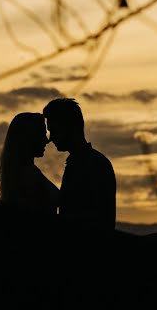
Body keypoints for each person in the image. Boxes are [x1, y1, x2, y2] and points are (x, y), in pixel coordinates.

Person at [42, 97, 116, 229]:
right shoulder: (89, 162)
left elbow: (96, 219)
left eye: (54, 130)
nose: (50, 138)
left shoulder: (94, 165)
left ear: (70, 127)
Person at [0, 112, 60, 214]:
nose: (46, 140)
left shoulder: (21, 173)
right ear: (30, 137)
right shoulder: (28, 175)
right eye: (42, 133)